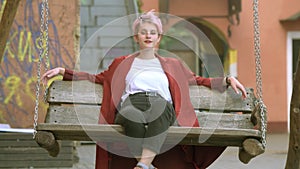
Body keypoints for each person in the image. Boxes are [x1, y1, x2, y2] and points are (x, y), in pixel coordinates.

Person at [42, 10, 247, 169]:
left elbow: (200, 80)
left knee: (158, 111)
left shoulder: (173, 64)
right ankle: (145, 162)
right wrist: (64, 71)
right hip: (131, 103)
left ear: (159, 38)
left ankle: (143, 164)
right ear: (136, 37)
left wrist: (228, 79)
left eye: (153, 32)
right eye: (143, 32)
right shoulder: (121, 63)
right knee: (131, 115)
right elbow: (95, 78)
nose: (148, 36)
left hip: (161, 105)